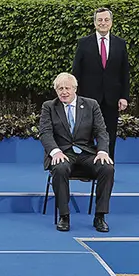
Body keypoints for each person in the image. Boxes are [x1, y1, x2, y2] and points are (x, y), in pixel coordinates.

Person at [39, 72, 114, 233]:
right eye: (60, 88)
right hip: (63, 153)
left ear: (75, 89)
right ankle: (64, 216)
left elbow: (101, 131)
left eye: (67, 88)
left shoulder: (91, 105)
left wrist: (102, 151)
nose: (63, 92)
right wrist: (55, 151)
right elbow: (45, 133)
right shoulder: (49, 107)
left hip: (86, 153)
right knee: (59, 168)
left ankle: (100, 216)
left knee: (107, 168)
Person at [72, 7, 130, 159]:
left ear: (111, 22)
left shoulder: (120, 44)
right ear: (94, 22)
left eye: (106, 20)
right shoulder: (84, 43)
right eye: (100, 20)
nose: (103, 23)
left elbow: (124, 73)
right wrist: (75, 97)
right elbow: (76, 71)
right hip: (88, 98)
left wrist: (124, 97)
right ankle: (88, 167)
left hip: (112, 99)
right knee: (87, 133)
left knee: (110, 134)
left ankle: (107, 167)